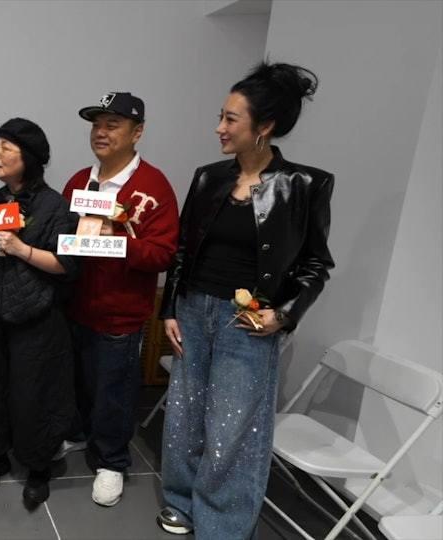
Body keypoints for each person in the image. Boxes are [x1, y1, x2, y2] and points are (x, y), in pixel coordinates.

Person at [157, 62, 334, 538]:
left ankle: (223, 523)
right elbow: (182, 250)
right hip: (194, 309)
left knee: (234, 427)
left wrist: (284, 315)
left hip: (248, 321)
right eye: (221, 116)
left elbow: (317, 264)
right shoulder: (207, 178)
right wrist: (169, 309)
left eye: (231, 118)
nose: (219, 127)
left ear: (265, 126)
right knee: (185, 414)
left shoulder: (305, 185)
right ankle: (180, 501)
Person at [61, 92, 179, 507]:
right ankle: (79, 434)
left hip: (121, 314)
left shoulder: (153, 186)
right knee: (78, 381)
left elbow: (163, 254)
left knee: (114, 391)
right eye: (96, 125)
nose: (101, 132)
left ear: (137, 132)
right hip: (75, 306)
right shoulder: (79, 181)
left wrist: (118, 240)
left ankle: (112, 461)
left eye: (112, 125)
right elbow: (63, 237)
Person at [0, 118, 78, 507]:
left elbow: (67, 264)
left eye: (6, 148)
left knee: (34, 396)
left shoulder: (54, 206)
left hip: (36, 319)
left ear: (28, 157)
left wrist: (21, 249)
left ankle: (38, 467)